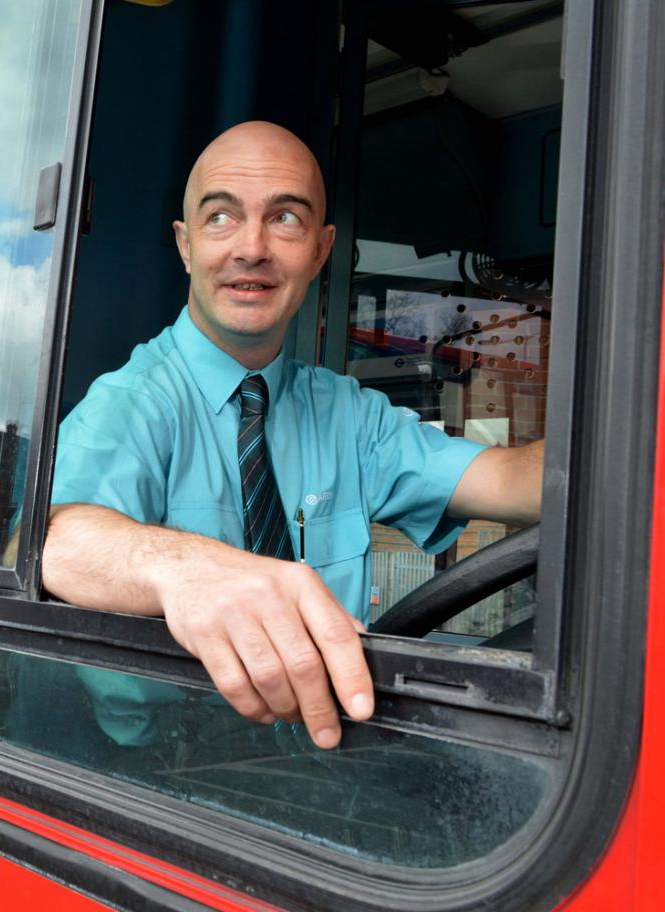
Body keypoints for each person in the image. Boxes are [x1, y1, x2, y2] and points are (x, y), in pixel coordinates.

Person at [42, 121, 543, 751]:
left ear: (320, 250)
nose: (251, 247)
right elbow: (46, 542)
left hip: (330, 761)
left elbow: (515, 480)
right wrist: (195, 571)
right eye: (221, 217)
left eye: (285, 219)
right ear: (186, 245)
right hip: (161, 770)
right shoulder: (133, 401)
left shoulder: (349, 416)